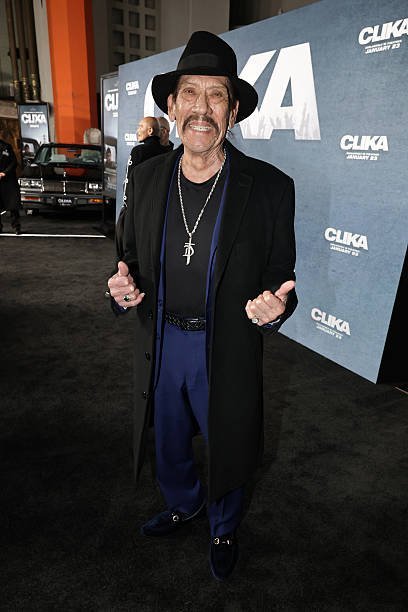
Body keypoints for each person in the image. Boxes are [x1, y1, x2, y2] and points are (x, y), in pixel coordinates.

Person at [107, 31, 297, 581]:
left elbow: (281, 276)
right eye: (190, 93)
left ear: (233, 112)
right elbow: (128, 258)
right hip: (162, 339)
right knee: (167, 438)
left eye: (217, 96)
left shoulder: (270, 188)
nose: (201, 108)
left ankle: (223, 524)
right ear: (171, 106)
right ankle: (182, 502)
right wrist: (121, 289)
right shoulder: (146, 178)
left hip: (225, 344)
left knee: (230, 438)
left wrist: (275, 309)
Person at [116, 117, 168, 259]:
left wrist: (127, 208)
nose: (137, 130)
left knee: (128, 256)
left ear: (150, 131)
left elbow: (128, 182)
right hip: (158, 213)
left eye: (140, 126)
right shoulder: (167, 152)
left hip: (135, 212)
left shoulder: (138, 151)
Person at [0, 132, 21, 235]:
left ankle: (16, 227)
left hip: (9, 181)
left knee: (13, 206)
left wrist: (4, 173)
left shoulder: (6, 147)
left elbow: (14, 162)